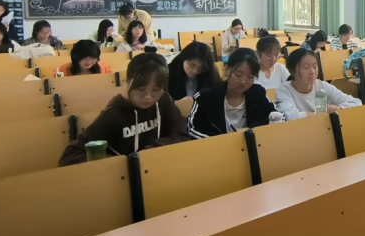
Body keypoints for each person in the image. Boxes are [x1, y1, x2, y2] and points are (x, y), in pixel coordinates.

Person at [58, 53, 189, 165]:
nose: (148, 96)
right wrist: (119, 163)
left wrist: (150, 151)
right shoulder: (114, 114)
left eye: (156, 90)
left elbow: (182, 134)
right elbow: (71, 155)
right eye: (141, 89)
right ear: (127, 81)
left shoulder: (163, 101)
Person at [188, 48, 277, 137]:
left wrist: (250, 131)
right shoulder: (205, 98)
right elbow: (193, 129)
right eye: (238, 75)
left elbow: (275, 116)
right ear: (226, 70)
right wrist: (223, 140)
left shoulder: (258, 93)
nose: (243, 81)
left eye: (250, 77)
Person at [275, 48, 361, 120]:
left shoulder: (322, 86)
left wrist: (339, 109)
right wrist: (323, 113)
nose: (312, 72)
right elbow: (289, 116)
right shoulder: (284, 90)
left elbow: (356, 103)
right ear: (292, 70)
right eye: (306, 67)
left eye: (315, 66)